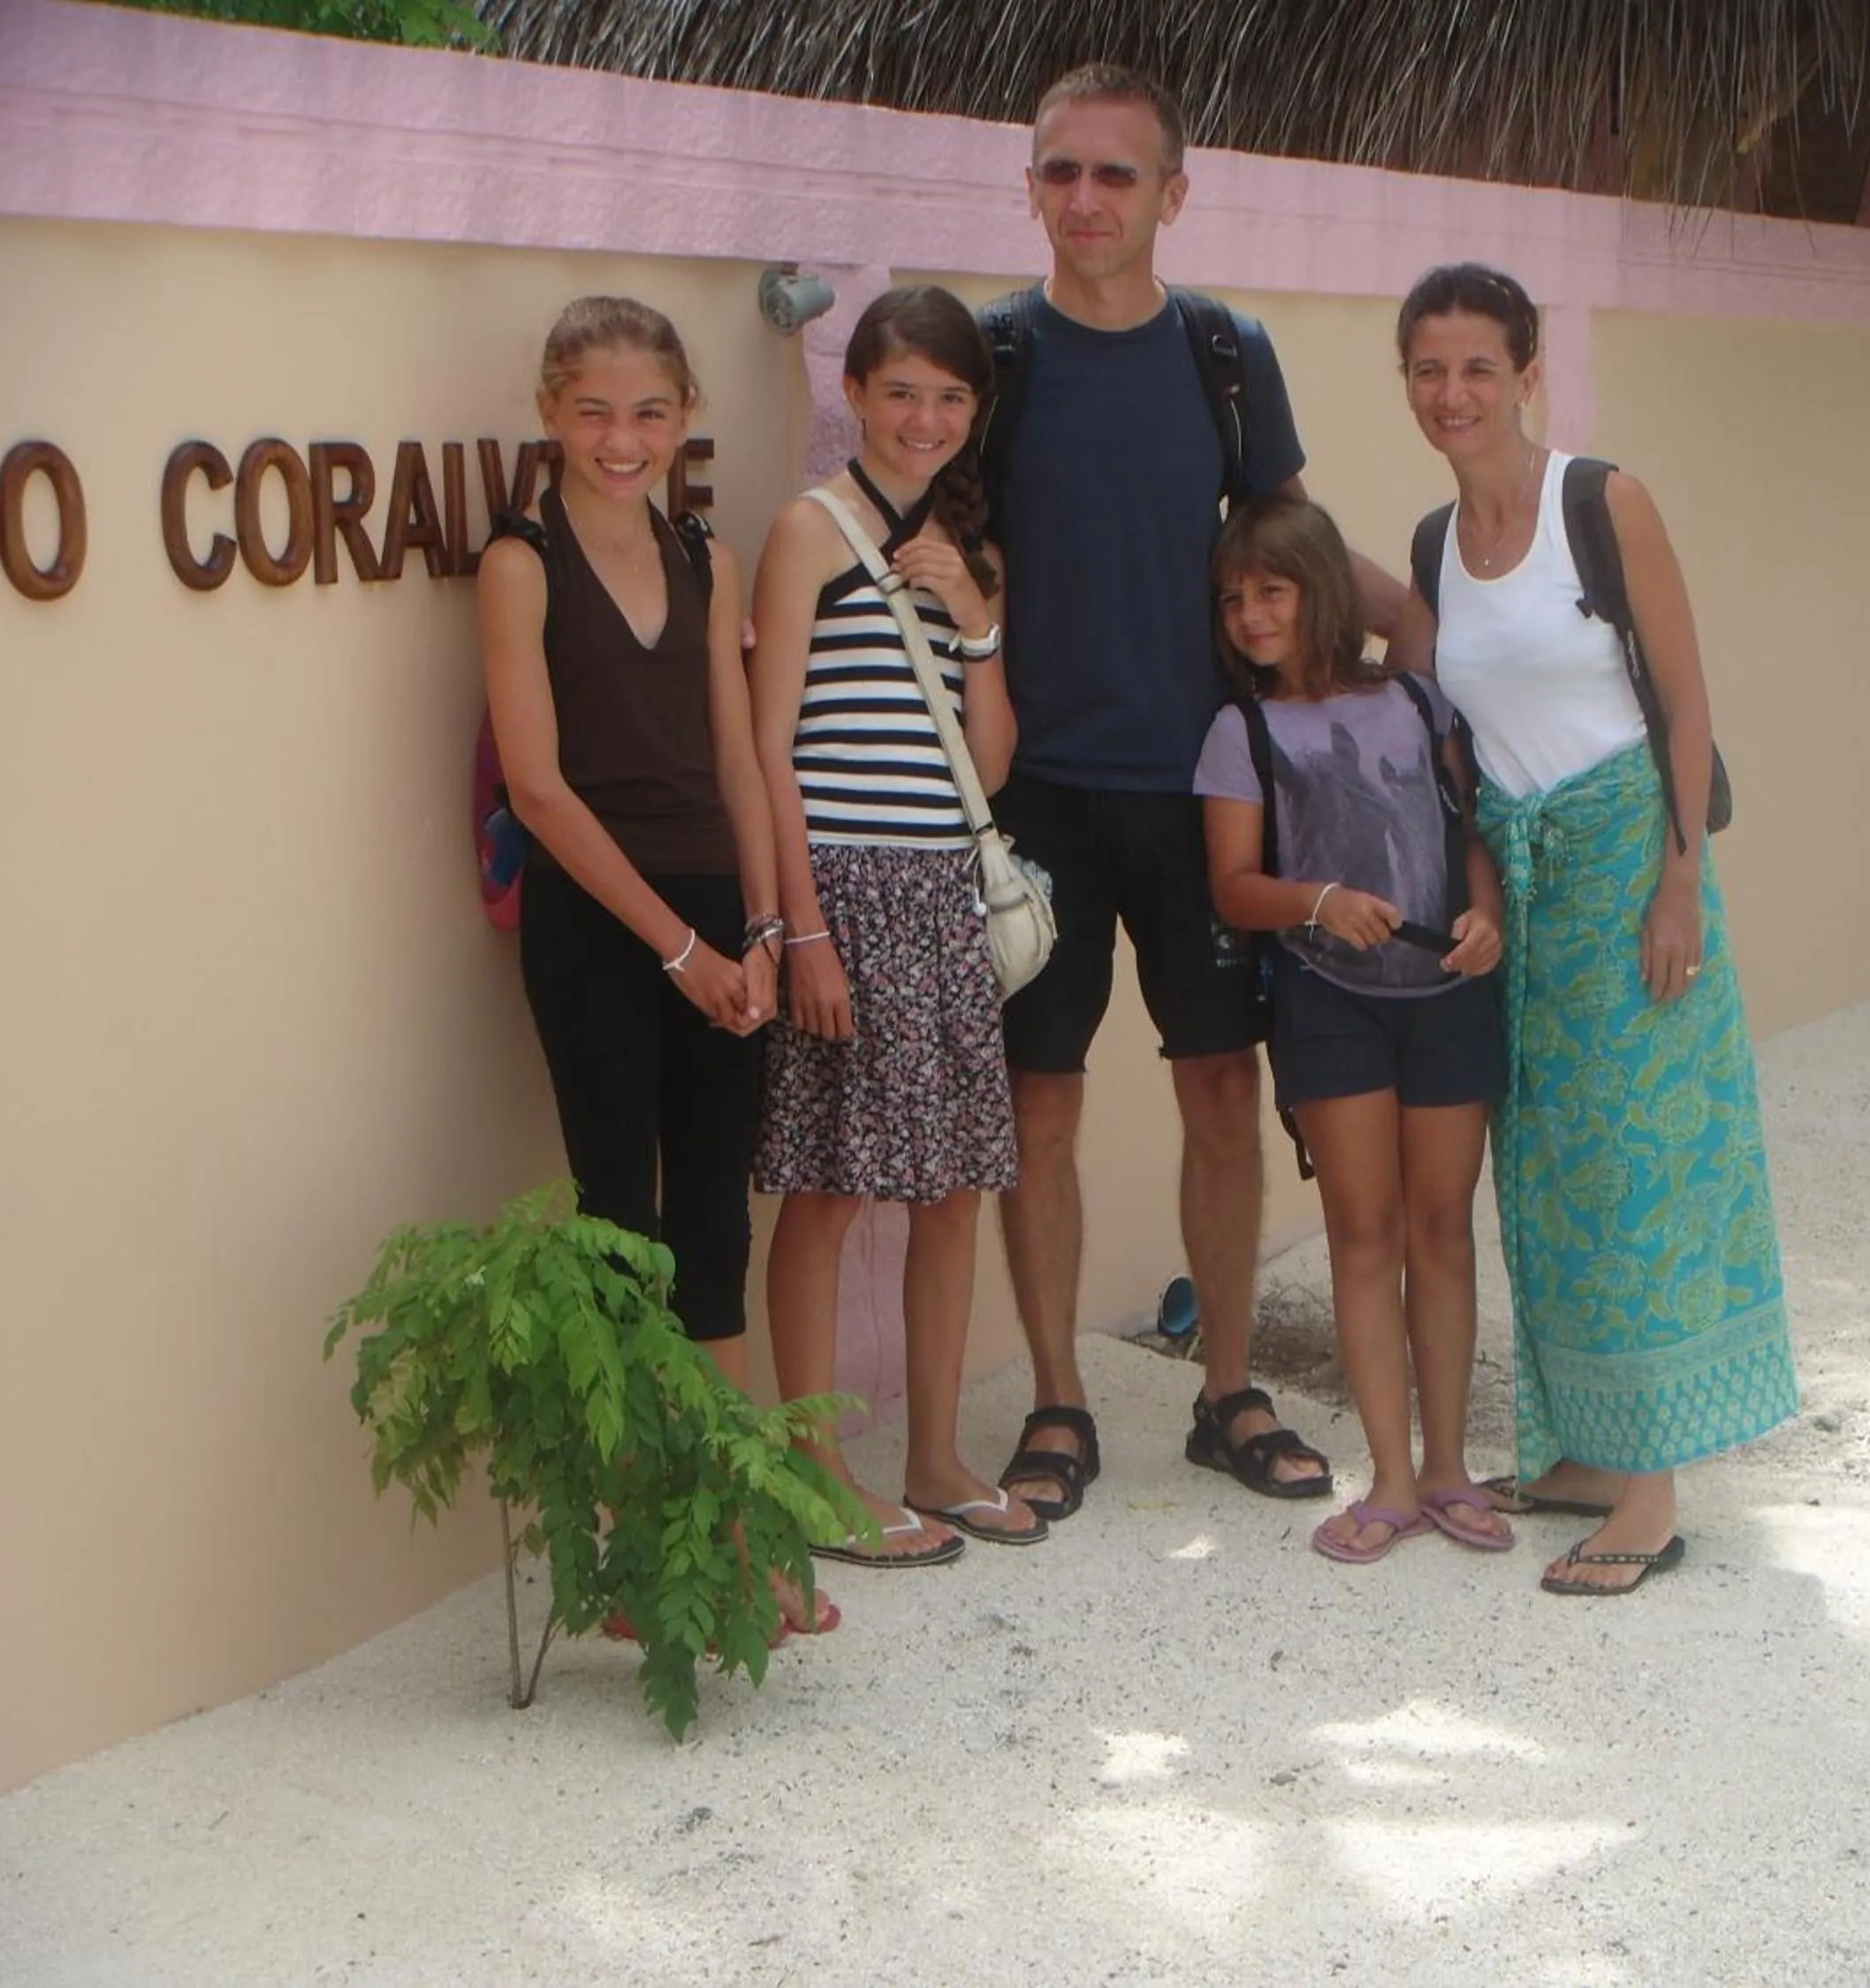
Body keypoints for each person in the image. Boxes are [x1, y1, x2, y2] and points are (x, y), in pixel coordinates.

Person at [980, 64, 1423, 1516]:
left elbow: (1285, 535)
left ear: (1173, 193)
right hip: (1034, 800)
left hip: (1208, 790)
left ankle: (1227, 1391)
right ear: (1031, 187)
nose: (1086, 199)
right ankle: (1057, 1402)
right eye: (1061, 171)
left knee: (1223, 1089)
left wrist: (1417, 622)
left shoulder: (1226, 353)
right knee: (1039, 1102)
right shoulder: (994, 359)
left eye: (1117, 173)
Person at [1396, 262, 1796, 1597]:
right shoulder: (1433, 548)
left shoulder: (1601, 503)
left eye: (1477, 367)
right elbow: (1438, 729)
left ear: (1527, 374)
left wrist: (1679, 880)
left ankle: (1650, 1488)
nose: (1453, 393)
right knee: (1548, 1170)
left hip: (1630, 863)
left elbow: (1685, 700)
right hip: (1525, 883)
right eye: (1429, 369)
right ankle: (1581, 1446)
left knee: (1641, 1169)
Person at [476, 294, 832, 1635]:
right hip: (598, 923)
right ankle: (639, 1556)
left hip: (717, 919)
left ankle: (736, 1523)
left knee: (715, 1229)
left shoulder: (707, 558)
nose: (621, 439)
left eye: (647, 413)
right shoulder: (520, 562)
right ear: (550, 414)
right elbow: (539, 787)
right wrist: (674, 947)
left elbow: (740, 756)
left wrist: (760, 929)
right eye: (593, 413)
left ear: (684, 417)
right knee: (622, 1227)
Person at [746, 285, 1045, 1567]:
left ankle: (934, 1455)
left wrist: (977, 621)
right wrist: (802, 931)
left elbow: (995, 762)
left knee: (953, 1188)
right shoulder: (807, 531)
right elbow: (768, 745)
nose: (925, 418)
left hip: (942, 899)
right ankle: (815, 1472)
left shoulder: (973, 552)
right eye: (903, 391)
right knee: (826, 1188)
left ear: (977, 410)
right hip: (845, 892)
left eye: (950, 396)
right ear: (857, 393)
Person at [1193, 497, 1516, 1563]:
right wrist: (1319, 902)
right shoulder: (1239, 731)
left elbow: (1470, 832)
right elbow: (1234, 886)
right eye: (1232, 599)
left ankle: (1450, 1470)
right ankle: (1390, 1480)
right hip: (1330, 1005)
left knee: (1442, 1228)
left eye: (1271, 591)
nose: (1250, 614)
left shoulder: (1417, 700)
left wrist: (1486, 916)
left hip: (1447, 994)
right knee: (1364, 1234)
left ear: (1321, 589)